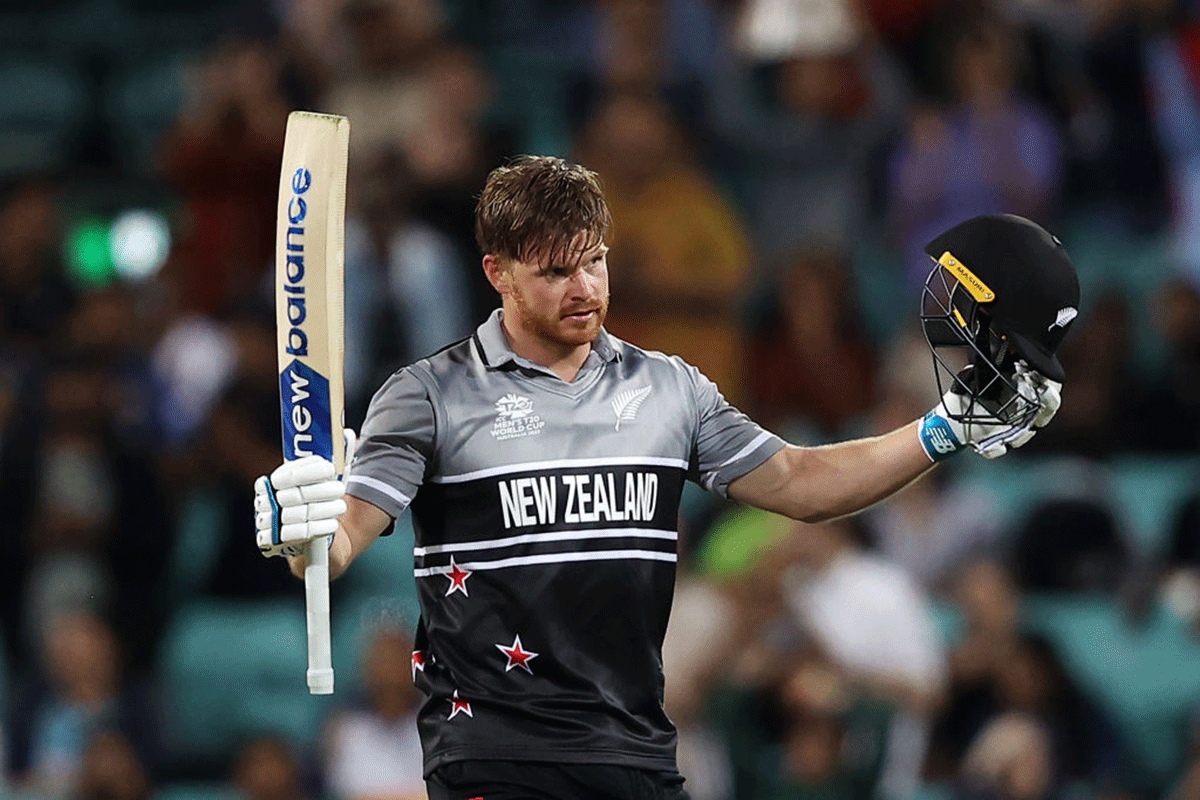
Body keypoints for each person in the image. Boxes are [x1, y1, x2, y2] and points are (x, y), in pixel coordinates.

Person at [253, 157, 1076, 800]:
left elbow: (804, 484)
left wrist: (943, 430)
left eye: (596, 263)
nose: (585, 290)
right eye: (554, 271)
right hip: (496, 759)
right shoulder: (428, 395)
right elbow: (338, 541)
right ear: (497, 271)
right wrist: (303, 528)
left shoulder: (670, 390)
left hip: (637, 754)